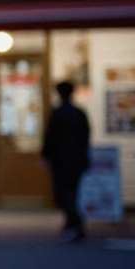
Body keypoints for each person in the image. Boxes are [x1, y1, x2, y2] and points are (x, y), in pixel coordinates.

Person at [42, 81, 91, 242]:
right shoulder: (79, 113)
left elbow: (50, 137)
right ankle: (72, 224)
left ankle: (75, 222)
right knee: (73, 192)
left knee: (63, 194)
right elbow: (86, 136)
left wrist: (46, 156)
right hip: (78, 159)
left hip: (61, 160)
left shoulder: (57, 113)